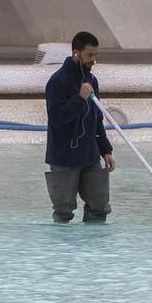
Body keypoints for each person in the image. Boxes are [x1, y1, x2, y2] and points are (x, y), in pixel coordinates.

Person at [43, 31, 117, 224]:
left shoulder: (92, 81)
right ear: (76, 53)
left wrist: (105, 149)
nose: (94, 60)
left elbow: (96, 117)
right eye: (89, 55)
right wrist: (79, 99)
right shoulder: (57, 82)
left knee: (100, 206)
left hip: (90, 155)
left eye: (95, 55)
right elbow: (57, 118)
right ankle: (63, 251)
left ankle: (92, 251)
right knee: (63, 211)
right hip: (64, 157)